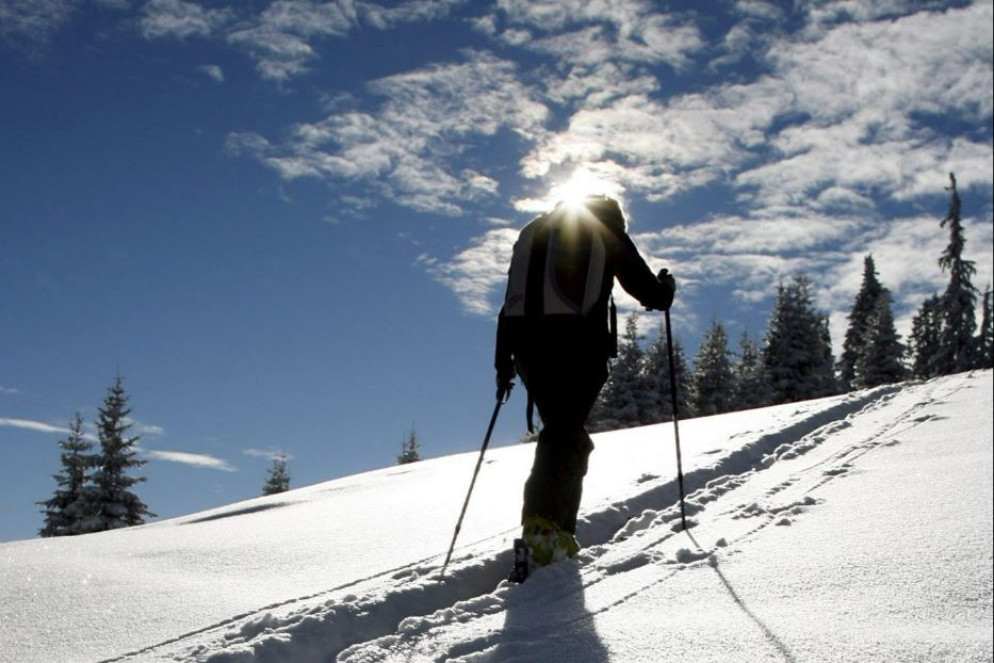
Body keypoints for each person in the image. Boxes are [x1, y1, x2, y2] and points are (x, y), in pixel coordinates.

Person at [495, 194, 675, 581]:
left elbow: (508, 307)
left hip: (528, 352)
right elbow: (649, 292)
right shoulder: (606, 231)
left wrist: (503, 367)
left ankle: (556, 534)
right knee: (563, 435)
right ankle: (543, 538)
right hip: (577, 350)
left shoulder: (537, 232)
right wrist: (666, 288)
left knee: (564, 432)